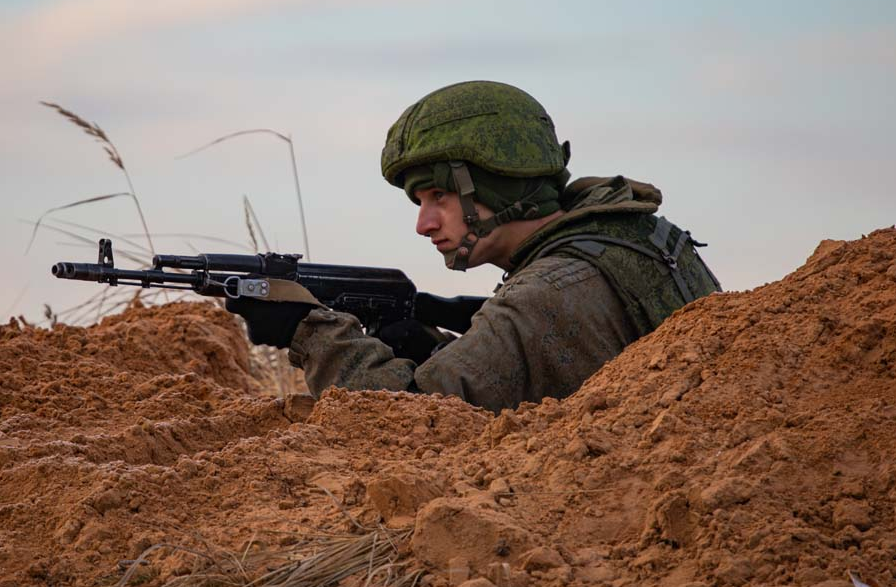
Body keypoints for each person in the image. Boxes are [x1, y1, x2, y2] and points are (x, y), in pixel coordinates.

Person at [232, 81, 720, 412]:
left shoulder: (544, 294)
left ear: (498, 186)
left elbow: (407, 422)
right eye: (419, 202)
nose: (423, 224)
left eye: (438, 197)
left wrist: (310, 331)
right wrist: (434, 348)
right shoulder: (630, 237)